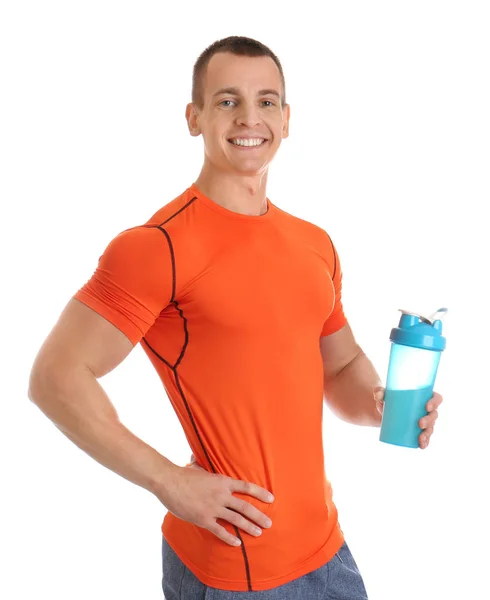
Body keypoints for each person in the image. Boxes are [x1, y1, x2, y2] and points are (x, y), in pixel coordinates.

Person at [28, 35, 443, 599]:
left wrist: (382, 402)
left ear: (288, 119)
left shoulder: (314, 243)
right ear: (194, 117)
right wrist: (168, 481)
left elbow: (341, 366)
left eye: (267, 101)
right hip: (236, 568)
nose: (250, 117)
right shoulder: (158, 246)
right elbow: (55, 377)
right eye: (227, 101)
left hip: (328, 550)